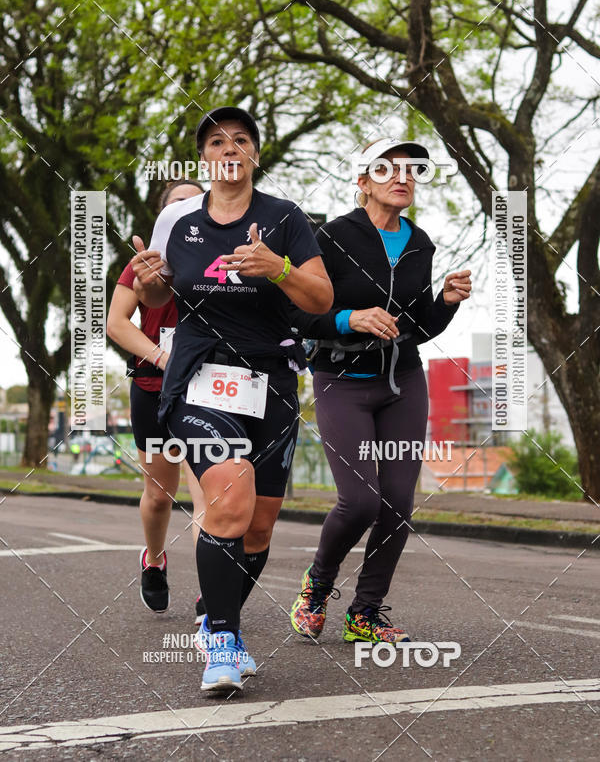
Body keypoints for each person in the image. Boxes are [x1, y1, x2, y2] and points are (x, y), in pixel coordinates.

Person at [130, 106, 333, 692]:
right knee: (228, 492)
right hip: (199, 373)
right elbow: (161, 289)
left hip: (270, 378)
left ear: (255, 155)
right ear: (204, 157)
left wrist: (280, 268)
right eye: (217, 141)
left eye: (241, 140)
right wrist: (149, 282)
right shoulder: (177, 219)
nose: (229, 149)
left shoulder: (286, 218)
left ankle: (220, 619)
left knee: (259, 528)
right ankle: (220, 641)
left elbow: (319, 298)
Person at [289, 137, 472, 644]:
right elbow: (297, 313)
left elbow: (415, 327)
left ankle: (365, 613)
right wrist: (350, 318)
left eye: (411, 170)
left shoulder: (420, 243)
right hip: (342, 381)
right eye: (387, 169)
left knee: (396, 504)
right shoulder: (327, 237)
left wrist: (447, 302)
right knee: (360, 501)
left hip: (403, 382)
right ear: (362, 181)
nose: (403, 177)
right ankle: (317, 585)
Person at [107, 179, 206, 616]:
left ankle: (213, 592)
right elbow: (117, 322)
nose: (188, 209)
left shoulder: (224, 259)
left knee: (209, 495)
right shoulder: (145, 262)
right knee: (160, 495)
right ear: (164, 216)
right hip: (154, 387)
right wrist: (164, 359)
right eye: (178, 204)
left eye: (196, 202)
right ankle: (153, 559)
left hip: (209, 389)